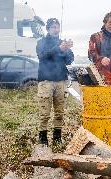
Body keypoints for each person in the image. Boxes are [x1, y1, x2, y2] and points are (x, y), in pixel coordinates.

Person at [36, 18, 74, 146]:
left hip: (61, 81)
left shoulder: (62, 42)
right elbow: (42, 56)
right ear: (47, 29)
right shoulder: (41, 42)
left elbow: (69, 60)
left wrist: (67, 49)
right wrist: (58, 48)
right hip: (46, 81)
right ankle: (43, 138)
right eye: (53, 27)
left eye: (57, 27)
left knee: (59, 112)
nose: (55, 29)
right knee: (45, 113)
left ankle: (57, 137)